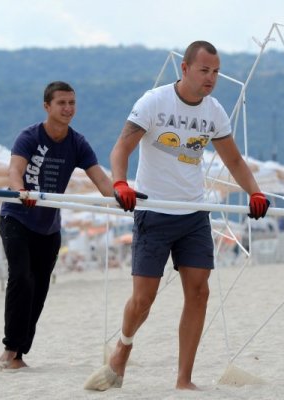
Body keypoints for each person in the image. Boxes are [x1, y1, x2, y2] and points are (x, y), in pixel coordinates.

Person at [84, 41, 270, 391]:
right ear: (184, 69)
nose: (211, 78)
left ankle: (184, 379)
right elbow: (121, 147)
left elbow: (234, 161)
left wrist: (255, 192)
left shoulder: (214, 111)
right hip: (153, 212)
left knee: (199, 293)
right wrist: (120, 183)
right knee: (144, 300)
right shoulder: (154, 102)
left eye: (215, 72)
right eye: (204, 71)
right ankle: (123, 347)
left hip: (194, 213)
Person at [0, 81, 114, 371]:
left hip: (48, 227)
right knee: (21, 278)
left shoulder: (77, 143)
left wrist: (122, 197)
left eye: (72, 103)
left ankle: (19, 353)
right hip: (17, 218)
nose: (68, 109)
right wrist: (21, 191)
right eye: (61, 103)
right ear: (47, 106)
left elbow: (101, 180)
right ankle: (9, 349)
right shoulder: (29, 137)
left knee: (40, 288)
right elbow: (15, 171)